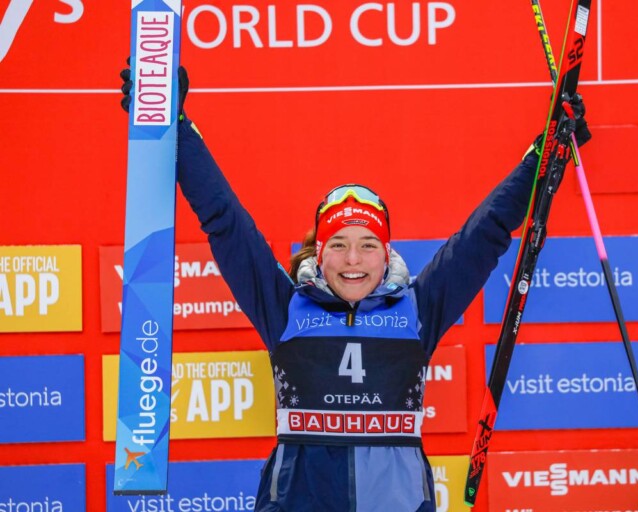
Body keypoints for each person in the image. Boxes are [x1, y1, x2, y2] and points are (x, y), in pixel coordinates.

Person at [121, 67, 591, 511]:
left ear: (386, 255)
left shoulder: (418, 309)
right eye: (339, 245)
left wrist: (545, 152)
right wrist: (173, 126)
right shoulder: (284, 308)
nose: (352, 260)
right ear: (319, 252)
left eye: (367, 246)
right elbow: (224, 220)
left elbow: (486, 232)